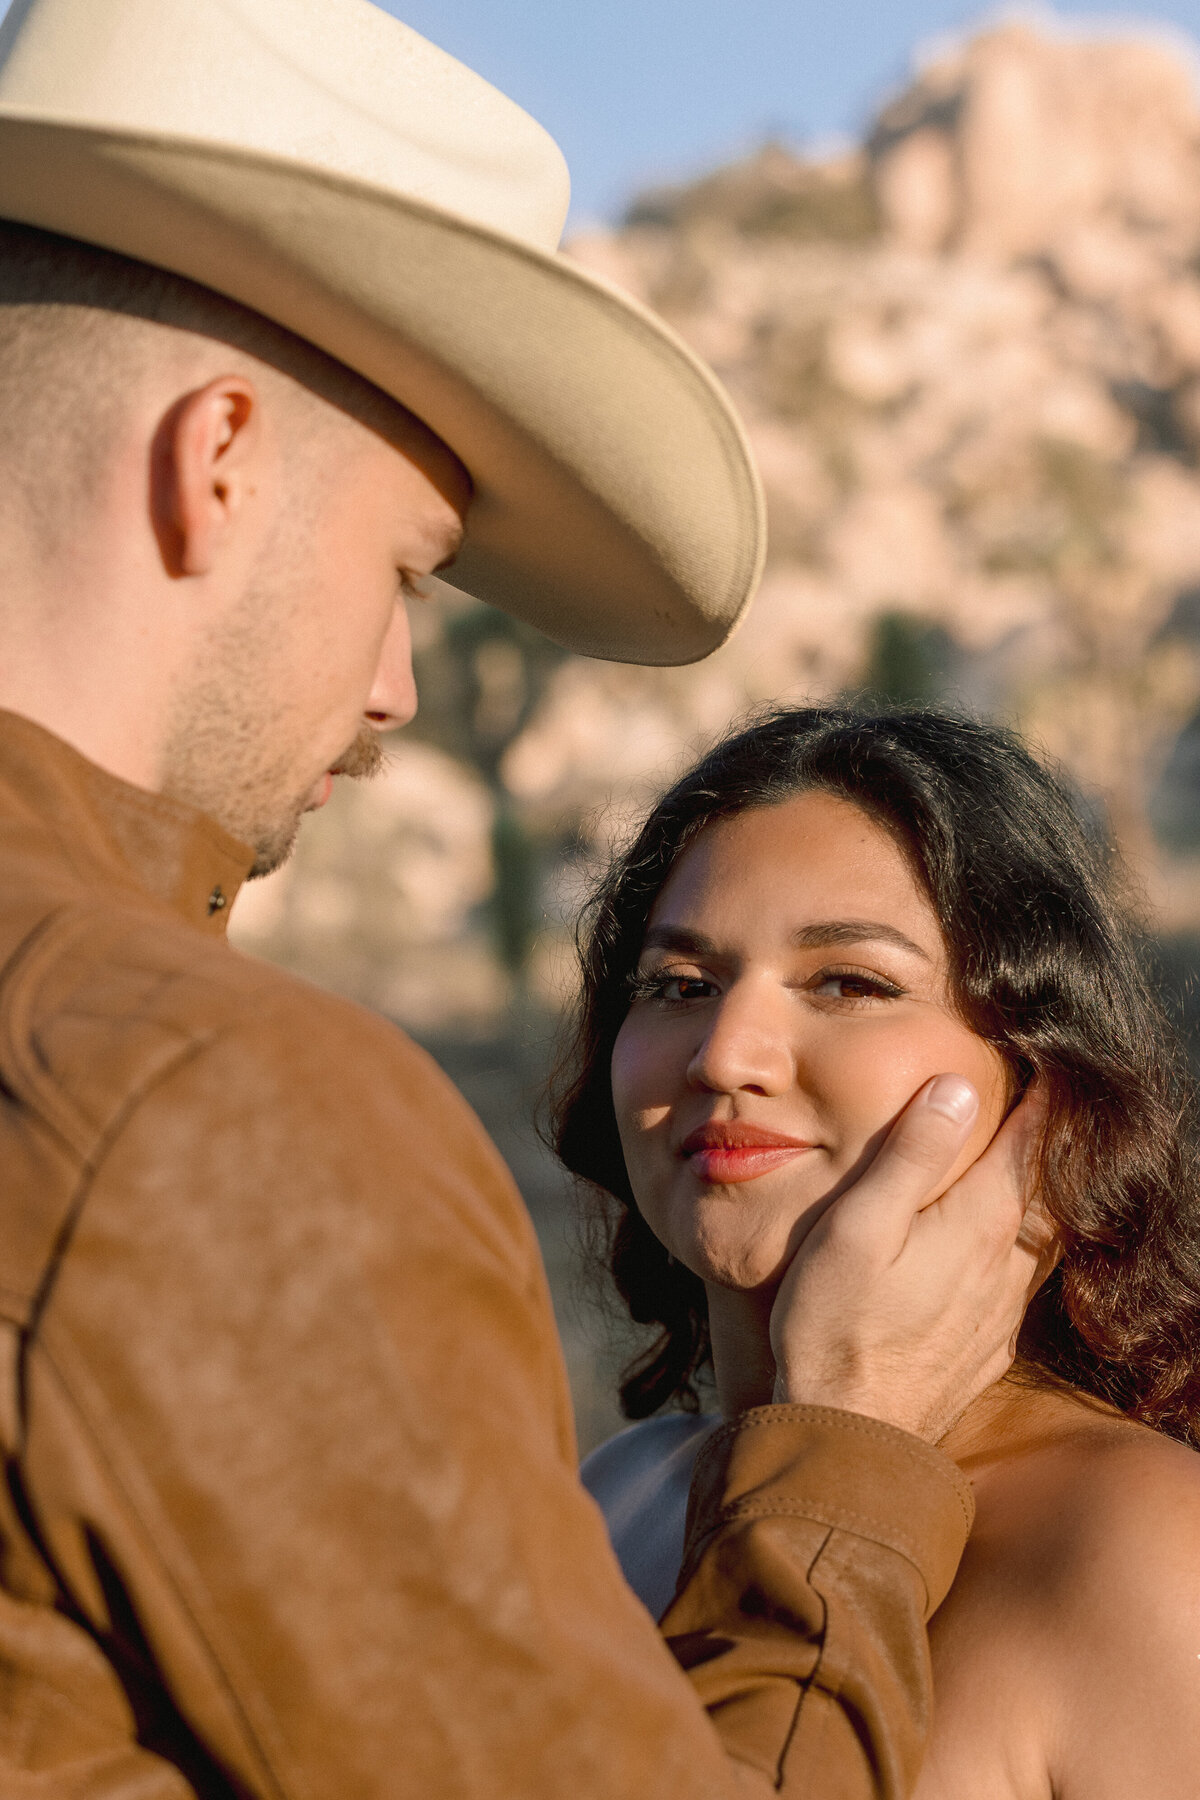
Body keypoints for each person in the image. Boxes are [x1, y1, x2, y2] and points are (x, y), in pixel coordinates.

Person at [0, 2, 1049, 1795]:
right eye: (405, 567)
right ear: (220, 460)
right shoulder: (201, 1105)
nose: (400, 684)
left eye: (853, 980)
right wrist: (845, 1459)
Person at [571, 705, 1200, 1799]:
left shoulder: (1138, 1549)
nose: (726, 1055)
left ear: (1040, 1090)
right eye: (679, 986)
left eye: (849, 983)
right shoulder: (617, 1496)